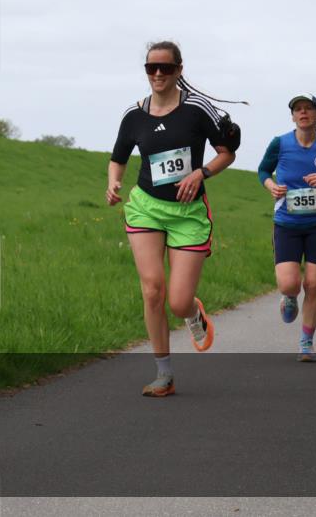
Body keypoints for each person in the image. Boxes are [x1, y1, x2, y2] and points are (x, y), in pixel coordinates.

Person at [108, 41, 239, 397]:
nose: (158, 74)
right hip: (146, 208)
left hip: (188, 214)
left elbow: (227, 152)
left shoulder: (197, 108)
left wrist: (201, 173)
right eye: (151, 67)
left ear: (179, 70)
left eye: (165, 67)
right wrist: (113, 182)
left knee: (178, 302)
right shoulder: (134, 115)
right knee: (152, 290)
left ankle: (193, 314)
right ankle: (163, 374)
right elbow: (118, 158)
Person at [258, 94, 316, 362]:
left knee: (314, 284)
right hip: (287, 224)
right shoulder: (280, 143)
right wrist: (271, 186)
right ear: (293, 116)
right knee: (290, 284)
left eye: (308, 108)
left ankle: (306, 342)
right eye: (298, 109)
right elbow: (263, 171)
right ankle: (289, 297)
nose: (303, 112)